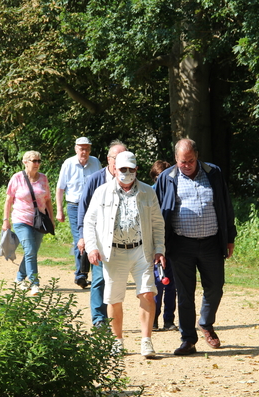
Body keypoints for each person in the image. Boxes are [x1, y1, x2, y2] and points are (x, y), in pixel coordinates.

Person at [155, 138, 237, 356]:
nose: (187, 165)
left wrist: (230, 238)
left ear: (197, 156)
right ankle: (188, 340)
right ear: (176, 159)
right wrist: (159, 247)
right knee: (184, 293)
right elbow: (158, 216)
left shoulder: (214, 173)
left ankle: (206, 323)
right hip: (181, 245)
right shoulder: (167, 178)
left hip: (211, 242)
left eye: (191, 160)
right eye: (183, 161)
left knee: (215, 287)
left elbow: (226, 206)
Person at [83, 151, 165, 358]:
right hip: (114, 252)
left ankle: (146, 341)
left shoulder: (148, 192)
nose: (127, 173)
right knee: (114, 298)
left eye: (131, 169)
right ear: (114, 169)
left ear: (136, 170)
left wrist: (159, 249)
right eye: (122, 169)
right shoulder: (102, 192)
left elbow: (157, 223)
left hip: (141, 250)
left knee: (147, 293)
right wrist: (92, 247)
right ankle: (117, 341)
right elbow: (89, 222)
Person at [77, 140, 127, 328]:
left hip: (123, 240)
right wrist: (82, 236)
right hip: (98, 238)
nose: (120, 163)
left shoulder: (130, 180)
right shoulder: (95, 180)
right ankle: (99, 318)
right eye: (116, 158)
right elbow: (83, 209)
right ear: (108, 159)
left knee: (114, 280)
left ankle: (113, 318)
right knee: (99, 278)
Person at [2, 151, 55, 296]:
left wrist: (51, 218)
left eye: (39, 161)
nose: (37, 164)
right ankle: (34, 284)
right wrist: (5, 220)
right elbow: (8, 200)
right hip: (21, 219)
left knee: (32, 251)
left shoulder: (43, 178)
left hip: (39, 220)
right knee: (30, 250)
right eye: (34, 161)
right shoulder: (17, 178)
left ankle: (19, 278)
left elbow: (48, 200)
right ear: (25, 162)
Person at [55, 137, 102, 289]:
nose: (84, 152)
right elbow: (60, 188)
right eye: (81, 148)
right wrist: (59, 210)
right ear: (76, 149)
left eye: (87, 149)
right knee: (80, 239)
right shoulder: (68, 164)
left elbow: (103, 183)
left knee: (95, 237)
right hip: (74, 206)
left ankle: (95, 273)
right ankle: (81, 274)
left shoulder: (95, 162)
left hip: (93, 205)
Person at [149, 160, 177, 331]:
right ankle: (153, 319)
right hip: (155, 246)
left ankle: (169, 320)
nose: (163, 180)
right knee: (157, 283)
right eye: (159, 177)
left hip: (173, 245)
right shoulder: (149, 194)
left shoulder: (174, 193)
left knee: (171, 285)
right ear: (154, 178)